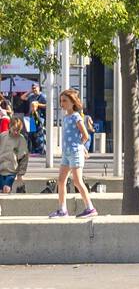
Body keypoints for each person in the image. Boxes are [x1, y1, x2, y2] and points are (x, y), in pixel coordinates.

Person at [49, 90, 97, 219]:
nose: (62, 104)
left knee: (77, 181)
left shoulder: (76, 116)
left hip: (75, 152)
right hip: (66, 153)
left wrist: (80, 147)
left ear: (73, 102)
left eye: (65, 101)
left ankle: (90, 207)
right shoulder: (65, 117)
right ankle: (62, 209)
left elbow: (85, 135)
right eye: (61, 101)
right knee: (61, 180)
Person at [0, 116, 29, 193]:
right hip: (1, 169)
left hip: (11, 171)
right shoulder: (2, 136)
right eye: (14, 130)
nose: (16, 132)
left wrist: (20, 173)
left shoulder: (21, 139)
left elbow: (24, 158)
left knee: (6, 189)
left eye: (18, 130)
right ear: (10, 127)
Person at [27, 83, 46, 155]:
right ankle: (34, 150)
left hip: (39, 116)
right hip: (32, 117)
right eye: (33, 88)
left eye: (35, 88)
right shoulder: (31, 96)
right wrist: (29, 91)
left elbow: (48, 105)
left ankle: (40, 151)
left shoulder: (42, 96)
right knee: (32, 134)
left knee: (39, 133)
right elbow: (22, 97)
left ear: (39, 88)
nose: (34, 89)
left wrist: (37, 104)